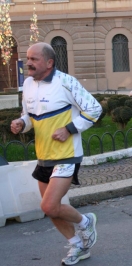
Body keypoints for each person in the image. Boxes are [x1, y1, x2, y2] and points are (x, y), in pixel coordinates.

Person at [10, 42, 102, 265]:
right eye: (28, 58)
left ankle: (84, 222)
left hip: (67, 154)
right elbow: (30, 116)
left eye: (34, 59)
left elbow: (94, 109)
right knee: (52, 210)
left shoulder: (65, 81)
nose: (28, 63)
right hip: (44, 155)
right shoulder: (29, 84)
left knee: (49, 206)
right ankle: (77, 246)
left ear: (49, 62)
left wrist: (70, 128)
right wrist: (22, 123)